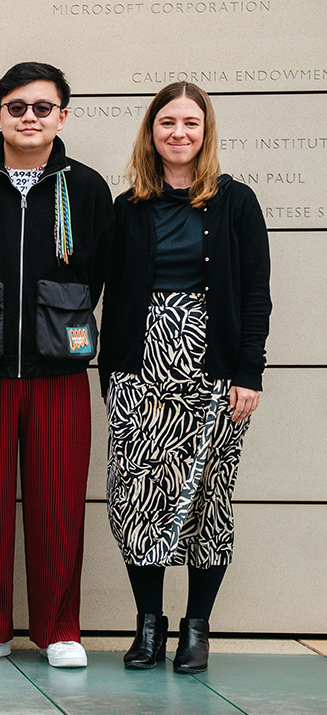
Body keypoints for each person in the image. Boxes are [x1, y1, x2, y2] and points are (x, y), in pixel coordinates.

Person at [0, 62, 113, 670]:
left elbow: (99, 276)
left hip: (59, 372)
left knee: (59, 504)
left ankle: (60, 627)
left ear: (63, 114)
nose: (29, 117)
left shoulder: (86, 189)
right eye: (17, 107)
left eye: (42, 107)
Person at [101, 82, 270, 674]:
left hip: (215, 370)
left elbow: (256, 296)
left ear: (206, 131)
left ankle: (196, 629)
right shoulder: (129, 207)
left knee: (209, 500)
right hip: (138, 370)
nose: (178, 133)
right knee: (138, 499)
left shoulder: (236, 202)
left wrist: (249, 371)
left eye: (190, 123)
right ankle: (148, 625)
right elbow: (110, 293)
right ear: (151, 131)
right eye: (167, 122)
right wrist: (110, 374)